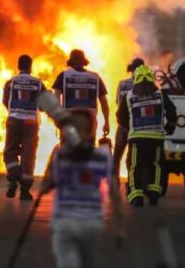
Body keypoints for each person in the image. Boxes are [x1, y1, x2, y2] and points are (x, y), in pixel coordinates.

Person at [41, 110, 123, 268]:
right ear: (90, 133)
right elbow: (114, 191)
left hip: (64, 222)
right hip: (91, 223)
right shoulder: (103, 156)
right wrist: (120, 227)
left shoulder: (59, 154)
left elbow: (45, 186)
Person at [116, 64, 177, 207]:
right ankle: (154, 194)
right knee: (157, 165)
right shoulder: (161, 94)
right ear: (151, 78)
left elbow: (120, 118)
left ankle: (136, 196)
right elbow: (172, 112)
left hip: (137, 139)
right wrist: (170, 127)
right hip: (156, 138)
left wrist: (130, 127)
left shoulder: (128, 96)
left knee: (134, 166)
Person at [2, 54, 45, 201]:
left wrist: (15, 112)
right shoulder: (38, 83)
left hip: (14, 121)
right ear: (30, 66)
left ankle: (13, 179)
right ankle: (25, 191)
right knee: (28, 156)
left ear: (18, 66)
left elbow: (5, 102)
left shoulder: (10, 83)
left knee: (10, 152)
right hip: (30, 124)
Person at [52, 50, 109, 141]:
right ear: (84, 62)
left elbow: (56, 98)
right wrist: (106, 122)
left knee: (67, 151)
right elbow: (103, 101)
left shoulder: (63, 76)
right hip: (89, 120)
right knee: (87, 151)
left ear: (71, 62)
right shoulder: (95, 77)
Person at [112, 58, 144, 178]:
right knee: (133, 156)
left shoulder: (122, 84)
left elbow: (118, 102)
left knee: (117, 155)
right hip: (139, 126)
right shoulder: (147, 86)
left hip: (123, 125)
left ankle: (114, 181)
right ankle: (132, 182)